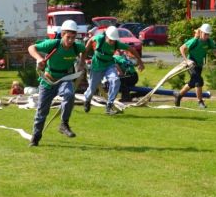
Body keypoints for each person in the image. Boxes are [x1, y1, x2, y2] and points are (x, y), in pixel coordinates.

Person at [27, 19, 85, 147]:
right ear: (63, 34)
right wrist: (39, 58)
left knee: (69, 94)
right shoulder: (53, 44)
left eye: (73, 37)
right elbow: (31, 48)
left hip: (65, 78)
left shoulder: (77, 46)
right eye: (68, 37)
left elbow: (85, 49)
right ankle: (35, 137)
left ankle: (64, 124)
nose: (70, 41)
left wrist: (82, 62)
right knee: (42, 112)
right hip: (48, 80)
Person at [83, 25, 144, 115]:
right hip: (97, 65)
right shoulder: (100, 38)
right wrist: (85, 53)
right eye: (110, 40)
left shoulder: (116, 43)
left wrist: (140, 62)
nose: (112, 42)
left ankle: (109, 105)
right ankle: (87, 100)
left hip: (109, 65)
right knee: (92, 88)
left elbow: (132, 49)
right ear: (106, 36)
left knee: (116, 80)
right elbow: (91, 40)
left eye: (113, 40)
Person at [174, 23, 216, 109]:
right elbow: (182, 48)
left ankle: (178, 95)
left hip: (199, 65)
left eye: (208, 34)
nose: (206, 36)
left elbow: (214, 50)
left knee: (193, 83)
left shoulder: (209, 41)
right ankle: (200, 102)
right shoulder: (194, 40)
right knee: (199, 81)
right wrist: (186, 60)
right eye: (205, 34)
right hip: (191, 64)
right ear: (200, 32)